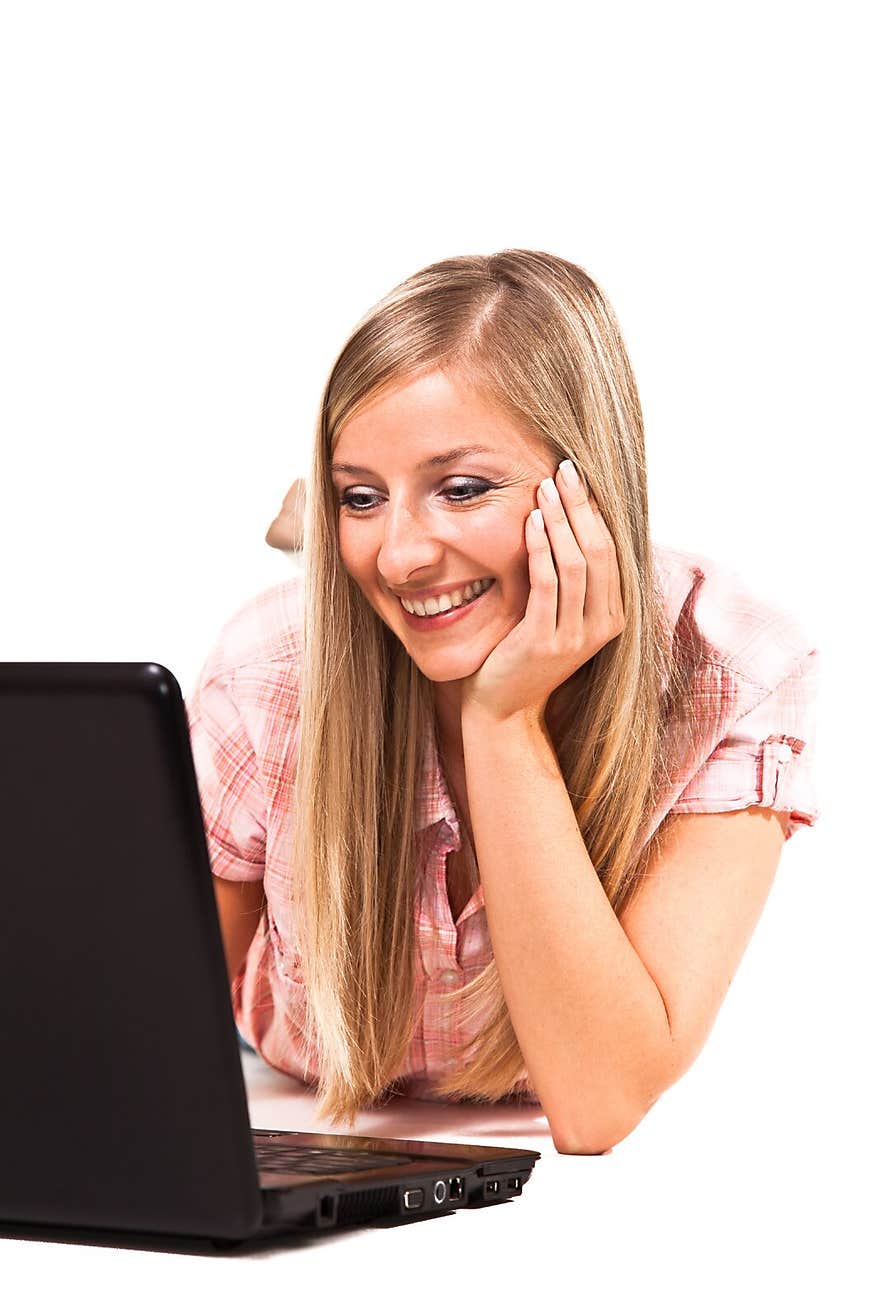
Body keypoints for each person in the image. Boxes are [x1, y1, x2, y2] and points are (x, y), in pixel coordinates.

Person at [185, 250, 820, 1154]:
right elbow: (145, 1023)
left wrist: (503, 717)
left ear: (587, 485)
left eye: (463, 487)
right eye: (358, 497)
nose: (399, 556)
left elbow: (597, 1105)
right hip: (291, 1059)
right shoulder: (268, 668)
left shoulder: (729, 669)